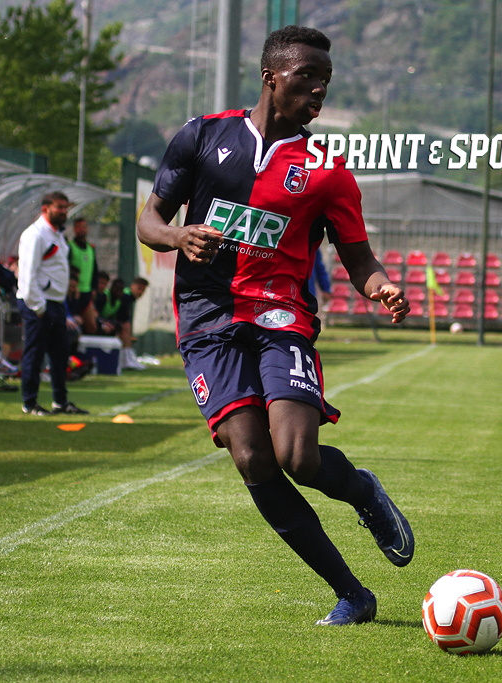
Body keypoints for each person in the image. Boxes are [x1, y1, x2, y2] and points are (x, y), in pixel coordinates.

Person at [137, 25, 413, 627]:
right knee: (252, 457)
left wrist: (380, 286)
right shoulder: (203, 136)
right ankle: (353, 594)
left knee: (298, 456)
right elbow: (150, 219)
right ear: (271, 77)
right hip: (208, 320)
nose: (318, 91)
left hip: (280, 315)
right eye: (306, 78)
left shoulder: (328, 169)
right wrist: (179, 236)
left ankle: (362, 491)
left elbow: (358, 257)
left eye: (325, 83)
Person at [16, 192, 88, 416]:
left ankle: (60, 401)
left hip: (55, 303)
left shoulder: (55, 234)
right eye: (59, 207)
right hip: (38, 304)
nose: (64, 212)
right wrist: (38, 307)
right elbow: (27, 275)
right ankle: (29, 403)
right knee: (35, 355)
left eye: (66, 207)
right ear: (45, 208)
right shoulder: (35, 235)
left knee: (60, 356)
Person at [67, 216, 101, 334]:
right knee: (73, 325)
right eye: (79, 227)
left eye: (84, 227)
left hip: (87, 293)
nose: (82, 229)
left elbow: (94, 269)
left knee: (92, 326)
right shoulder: (70, 247)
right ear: (74, 229)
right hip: (74, 293)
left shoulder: (91, 248)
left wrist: (94, 288)